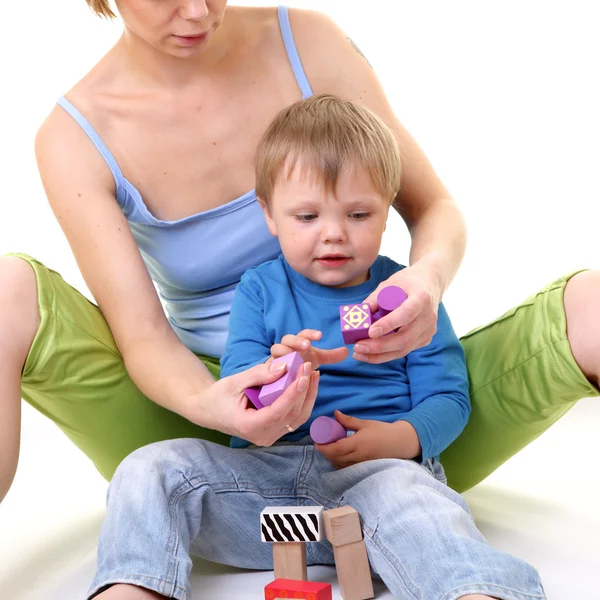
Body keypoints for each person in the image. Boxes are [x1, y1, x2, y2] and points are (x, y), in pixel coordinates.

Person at [0, 0, 598, 506]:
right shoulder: (75, 136)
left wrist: (427, 279)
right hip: (209, 424)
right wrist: (219, 407)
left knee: (592, 306)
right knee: (7, 291)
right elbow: (145, 341)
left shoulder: (305, 41)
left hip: (392, 416)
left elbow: (433, 207)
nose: (197, 11)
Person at [86, 94, 546, 600]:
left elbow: (450, 400)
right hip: (264, 493)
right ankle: (132, 585)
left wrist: (399, 440)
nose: (333, 235)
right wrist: (276, 376)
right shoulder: (259, 289)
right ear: (269, 215)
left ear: (387, 210)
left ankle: (476, 590)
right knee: (148, 468)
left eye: (357, 214)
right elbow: (237, 386)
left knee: (417, 500)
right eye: (306, 216)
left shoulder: (407, 296)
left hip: (379, 485)